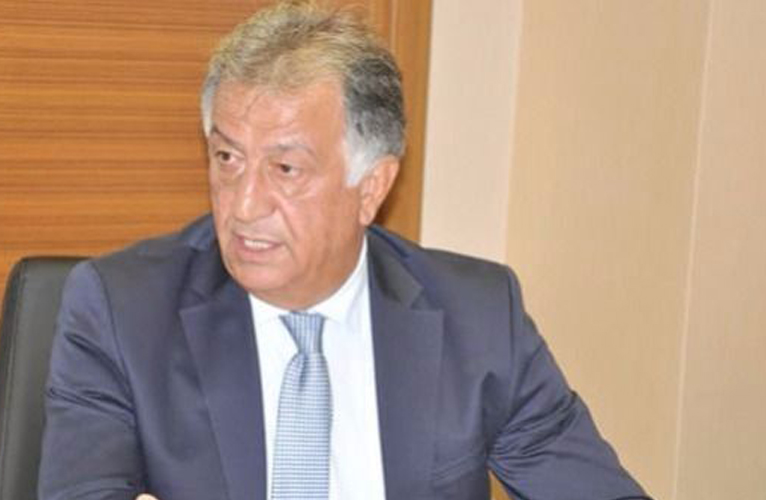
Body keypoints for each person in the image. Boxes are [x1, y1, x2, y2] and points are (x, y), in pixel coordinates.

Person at [38, 2, 649, 499]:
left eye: (285, 168)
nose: (243, 204)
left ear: (372, 187)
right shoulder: (122, 312)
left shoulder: (480, 319)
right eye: (227, 158)